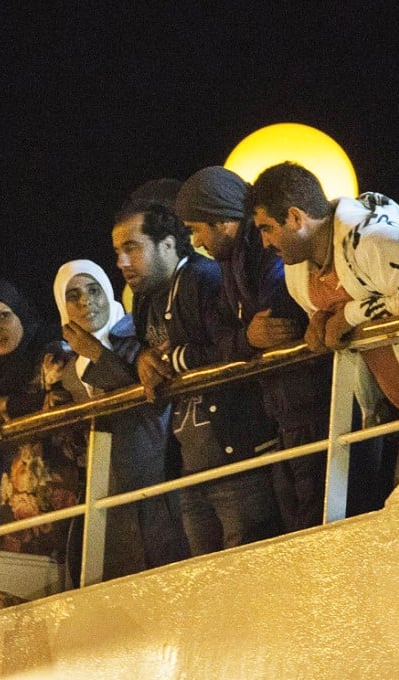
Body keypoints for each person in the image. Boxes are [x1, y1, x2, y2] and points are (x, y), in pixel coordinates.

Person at [249, 162, 399, 498]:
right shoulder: (297, 272)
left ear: (296, 218)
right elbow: (331, 312)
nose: (265, 243)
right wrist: (320, 320)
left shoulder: (375, 238)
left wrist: (349, 315)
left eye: (268, 228)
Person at [112, 203, 282, 556]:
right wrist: (144, 358)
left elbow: (231, 346)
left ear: (169, 244)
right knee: (206, 587)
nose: (122, 262)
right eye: (118, 252)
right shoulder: (145, 300)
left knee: (248, 573)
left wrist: (174, 359)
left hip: (237, 458)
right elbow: (132, 345)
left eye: (131, 247)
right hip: (192, 467)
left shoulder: (202, 279)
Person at [174, 166, 328, 531]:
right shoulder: (231, 265)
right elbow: (223, 336)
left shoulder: (270, 251)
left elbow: (279, 323)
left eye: (197, 229)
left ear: (222, 222)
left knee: (318, 525)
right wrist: (245, 339)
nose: (196, 243)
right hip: (285, 412)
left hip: (310, 406)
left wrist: (242, 339)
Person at [52, 259, 189, 576]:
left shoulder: (137, 338)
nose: (86, 302)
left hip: (161, 487)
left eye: (94, 290)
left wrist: (97, 353)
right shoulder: (69, 372)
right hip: (110, 504)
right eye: (73, 295)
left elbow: (145, 398)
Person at [0, 279, 86, 606]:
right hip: (17, 508)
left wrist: (6, 406)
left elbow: (58, 397)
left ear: (21, 314)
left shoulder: (51, 350)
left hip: (63, 496)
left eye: (4, 316)